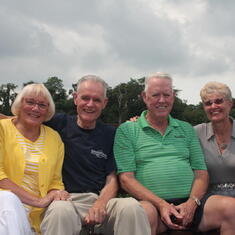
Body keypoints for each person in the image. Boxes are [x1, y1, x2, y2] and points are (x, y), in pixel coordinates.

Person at [114, 72, 235, 235]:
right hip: (152, 204)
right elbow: (126, 178)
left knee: (231, 208)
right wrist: (161, 204)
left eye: (166, 95)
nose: (162, 100)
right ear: (144, 96)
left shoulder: (186, 129)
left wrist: (192, 203)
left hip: (191, 202)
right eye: (156, 95)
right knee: (143, 213)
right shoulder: (127, 130)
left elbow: (201, 173)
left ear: (173, 97)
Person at [40, 75, 151, 235]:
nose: (90, 104)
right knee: (59, 210)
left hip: (101, 199)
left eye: (97, 100)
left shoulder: (111, 134)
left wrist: (100, 203)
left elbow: (112, 178)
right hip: (66, 199)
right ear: (75, 98)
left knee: (131, 207)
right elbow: (21, 118)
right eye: (85, 98)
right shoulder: (58, 123)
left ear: (104, 103)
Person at [0, 84, 68, 234]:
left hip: (36, 216)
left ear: (48, 110)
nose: (35, 108)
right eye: (30, 102)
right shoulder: (2, 129)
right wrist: (37, 201)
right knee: (8, 199)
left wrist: (57, 192)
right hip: (4, 208)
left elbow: (55, 181)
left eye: (42, 105)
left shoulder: (54, 138)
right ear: (20, 104)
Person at [195, 81, 235, 197]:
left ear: (230, 103)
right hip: (209, 199)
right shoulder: (196, 132)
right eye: (208, 103)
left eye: (218, 101)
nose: (213, 106)